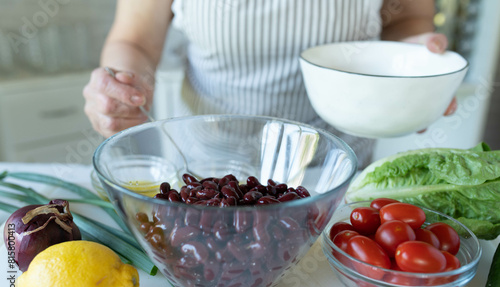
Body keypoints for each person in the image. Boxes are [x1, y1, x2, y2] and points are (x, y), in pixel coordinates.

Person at [83, 0, 457, 167]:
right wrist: (122, 83)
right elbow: (134, 41)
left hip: (336, 164)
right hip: (207, 165)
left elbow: (407, 17)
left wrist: (412, 65)